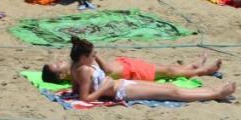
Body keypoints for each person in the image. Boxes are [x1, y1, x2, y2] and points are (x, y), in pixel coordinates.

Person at [64, 36, 235, 104]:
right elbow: (84, 98)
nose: (95, 56)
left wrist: (100, 85)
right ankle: (216, 94)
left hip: (121, 84)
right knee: (171, 92)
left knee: (170, 88)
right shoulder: (84, 70)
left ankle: (213, 91)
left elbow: (75, 89)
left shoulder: (75, 66)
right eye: (93, 54)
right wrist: (102, 88)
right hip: (121, 90)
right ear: (84, 56)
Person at [42, 48, 222, 86]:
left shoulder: (75, 67)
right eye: (57, 64)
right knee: (169, 72)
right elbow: (108, 72)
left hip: (126, 65)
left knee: (166, 68)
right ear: (61, 76)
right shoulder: (78, 74)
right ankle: (203, 71)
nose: (59, 60)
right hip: (130, 73)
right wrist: (96, 55)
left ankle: (192, 67)